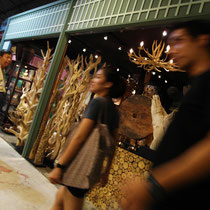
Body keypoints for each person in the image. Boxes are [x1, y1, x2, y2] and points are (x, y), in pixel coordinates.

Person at [121, 19, 210, 210]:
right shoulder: (197, 85)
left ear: (202, 40)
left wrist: (154, 186)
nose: (170, 50)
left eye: (179, 41)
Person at [49, 66, 126, 210]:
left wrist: (60, 166)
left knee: (70, 202)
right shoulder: (115, 112)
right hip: (92, 168)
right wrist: (106, 172)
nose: (93, 80)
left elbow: (80, 138)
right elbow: (112, 145)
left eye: (97, 77)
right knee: (60, 199)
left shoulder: (97, 102)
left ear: (108, 84)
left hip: (79, 166)